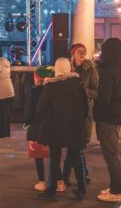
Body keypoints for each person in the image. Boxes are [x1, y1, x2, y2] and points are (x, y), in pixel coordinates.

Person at [36, 58, 89, 201]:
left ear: (56, 69)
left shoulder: (51, 87)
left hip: (55, 127)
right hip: (74, 126)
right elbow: (85, 108)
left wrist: (40, 120)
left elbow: (41, 109)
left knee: (54, 158)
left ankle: (52, 188)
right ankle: (82, 188)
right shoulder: (78, 85)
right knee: (77, 156)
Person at [94, 38, 121, 203]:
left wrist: (97, 114)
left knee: (111, 155)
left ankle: (117, 190)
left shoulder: (108, 72)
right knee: (112, 154)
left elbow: (104, 99)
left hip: (107, 118)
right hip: (118, 116)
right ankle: (115, 186)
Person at [63, 43, 98, 186]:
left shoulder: (90, 69)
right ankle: (81, 176)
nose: (82, 54)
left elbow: (96, 91)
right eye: (79, 51)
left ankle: (67, 175)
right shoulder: (67, 68)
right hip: (69, 112)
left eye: (84, 51)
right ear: (73, 53)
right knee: (75, 145)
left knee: (77, 144)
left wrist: (83, 91)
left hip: (84, 112)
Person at [23, 65, 54, 192]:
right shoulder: (55, 90)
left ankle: (42, 182)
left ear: (37, 77)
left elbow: (28, 112)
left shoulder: (35, 92)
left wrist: (27, 122)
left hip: (38, 127)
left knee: (39, 155)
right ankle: (59, 181)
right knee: (55, 156)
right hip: (53, 125)